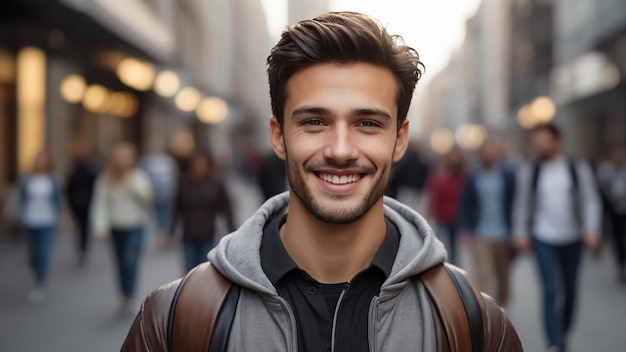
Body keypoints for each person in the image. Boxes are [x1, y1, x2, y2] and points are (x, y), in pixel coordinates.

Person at [122, 12, 521, 351]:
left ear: (399, 139)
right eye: (315, 121)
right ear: (278, 136)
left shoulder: (474, 323)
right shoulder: (174, 320)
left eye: (367, 123)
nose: (341, 149)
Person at [513, 123, 601, 352]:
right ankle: (554, 343)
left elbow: (591, 199)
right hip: (543, 237)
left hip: (573, 238)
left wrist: (591, 229)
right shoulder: (530, 170)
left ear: (557, 141)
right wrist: (520, 232)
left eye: (543, 140)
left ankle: (562, 332)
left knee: (570, 291)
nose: (538, 145)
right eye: (536, 141)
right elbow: (521, 204)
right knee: (551, 290)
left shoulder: (575, 167)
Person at [90, 142, 153, 311]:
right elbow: (99, 204)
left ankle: (130, 294)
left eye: (126, 158)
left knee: (130, 260)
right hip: (116, 226)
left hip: (135, 226)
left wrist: (131, 186)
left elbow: (146, 200)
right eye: (119, 158)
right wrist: (100, 227)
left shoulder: (139, 177)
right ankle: (124, 293)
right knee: (120, 262)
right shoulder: (105, 179)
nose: (122, 161)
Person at [458, 140, 516, 307]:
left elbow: (516, 203)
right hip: (480, 233)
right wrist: (464, 229)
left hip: (504, 234)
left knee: (503, 276)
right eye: (485, 153)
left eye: (491, 153)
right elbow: (465, 203)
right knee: (484, 275)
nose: (488, 156)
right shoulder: (473, 177)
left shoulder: (508, 175)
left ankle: (502, 307)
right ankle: (489, 313)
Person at [165, 150, 236, 272]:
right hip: (188, 235)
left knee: (205, 273)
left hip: (208, 235)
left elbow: (226, 208)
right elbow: (176, 209)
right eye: (196, 163)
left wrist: (232, 230)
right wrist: (170, 233)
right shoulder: (184, 183)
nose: (199, 166)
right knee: (190, 273)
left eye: (203, 163)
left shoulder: (216, 183)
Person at [17, 151, 69, 303]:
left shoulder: (53, 180)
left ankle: (40, 284)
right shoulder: (26, 180)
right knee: (33, 254)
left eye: (43, 161)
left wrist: (64, 215)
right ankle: (36, 268)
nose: (40, 164)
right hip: (30, 220)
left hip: (48, 221)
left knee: (43, 252)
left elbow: (59, 199)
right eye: (38, 161)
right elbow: (20, 199)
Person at [425, 147, 467, 264]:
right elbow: (433, 194)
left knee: (456, 251)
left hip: (458, 218)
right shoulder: (439, 175)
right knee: (441, 248)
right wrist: (430, 212)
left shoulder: (464, 177)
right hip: (442, 217)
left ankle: (454, 274)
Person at [65, 140, 99, 265]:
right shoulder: (73, 169)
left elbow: (95, 186)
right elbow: (68, 187)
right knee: (78, 227)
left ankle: (83, 248)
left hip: (88, 202)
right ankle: (80, 247)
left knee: (84, 227)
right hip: (75, 203)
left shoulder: (92, 168)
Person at [596, 145, 626, 282]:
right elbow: (601, 188)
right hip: (613, 209)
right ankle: (621, 264)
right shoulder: (605, 170)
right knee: (618, 237)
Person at [139, 140, 178, 238]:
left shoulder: (168, 160)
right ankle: (160, 233)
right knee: (155, 216)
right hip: (152, 194)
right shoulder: (146, 160)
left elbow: (173, 176)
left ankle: (164, 234)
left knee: (166, 215)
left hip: (166, 194)